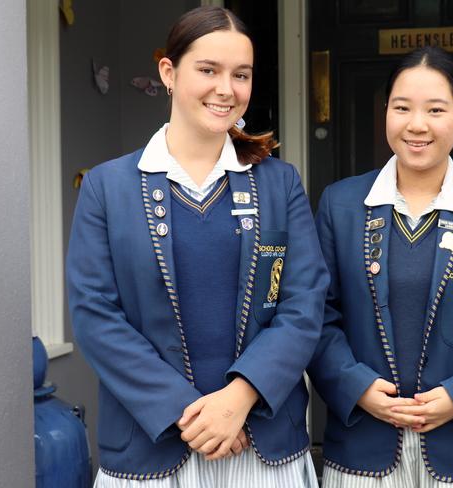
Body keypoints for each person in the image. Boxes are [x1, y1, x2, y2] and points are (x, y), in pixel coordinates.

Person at [66, 6, 328, 487]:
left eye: (241, 74)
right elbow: (95, 316)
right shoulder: (108, 188)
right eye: (208, 70)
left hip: (263, 445)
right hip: (151, 447)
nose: (226, 89)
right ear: (168, 71)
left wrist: (238, 399)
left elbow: (304, 304)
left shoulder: (280, 184)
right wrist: (192, 415)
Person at [307, 46, 453, 487]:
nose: (417, 124)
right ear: (386, 113)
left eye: (436, 109)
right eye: (402, 108)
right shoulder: (341, 205)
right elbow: (317, 315)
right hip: (364, 448)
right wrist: (355, 387)